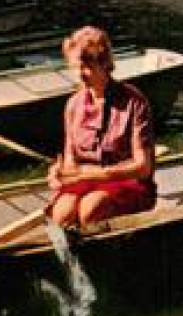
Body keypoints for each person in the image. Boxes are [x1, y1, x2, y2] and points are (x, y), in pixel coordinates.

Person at [48, 26, 157, 231]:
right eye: (75, 67)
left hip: (128, 183)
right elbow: (70, 162)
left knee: (90, 209)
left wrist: (94, 174)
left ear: (105, 63)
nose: (80, 75)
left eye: (86, 67)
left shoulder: (134, 102)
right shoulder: (73, 105)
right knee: (61, 214)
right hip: (85, 181)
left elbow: (143, 168)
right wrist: (59, 174)